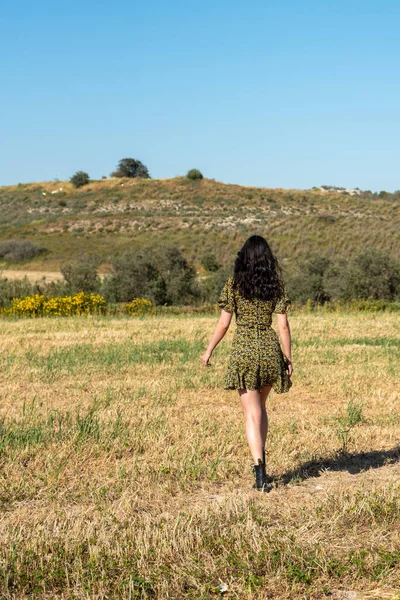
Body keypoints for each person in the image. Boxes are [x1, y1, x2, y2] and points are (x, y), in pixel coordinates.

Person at [201, 235, 293, 492]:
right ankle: (262, 466)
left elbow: (223, 323)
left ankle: (260, 472)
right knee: (261, 409)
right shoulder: (276, 285)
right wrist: (288, 358)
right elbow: (283, 325)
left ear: (243, 257)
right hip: (268, 349)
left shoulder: (234, 285)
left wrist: (209, 350)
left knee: (251, 414)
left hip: (245, 350)